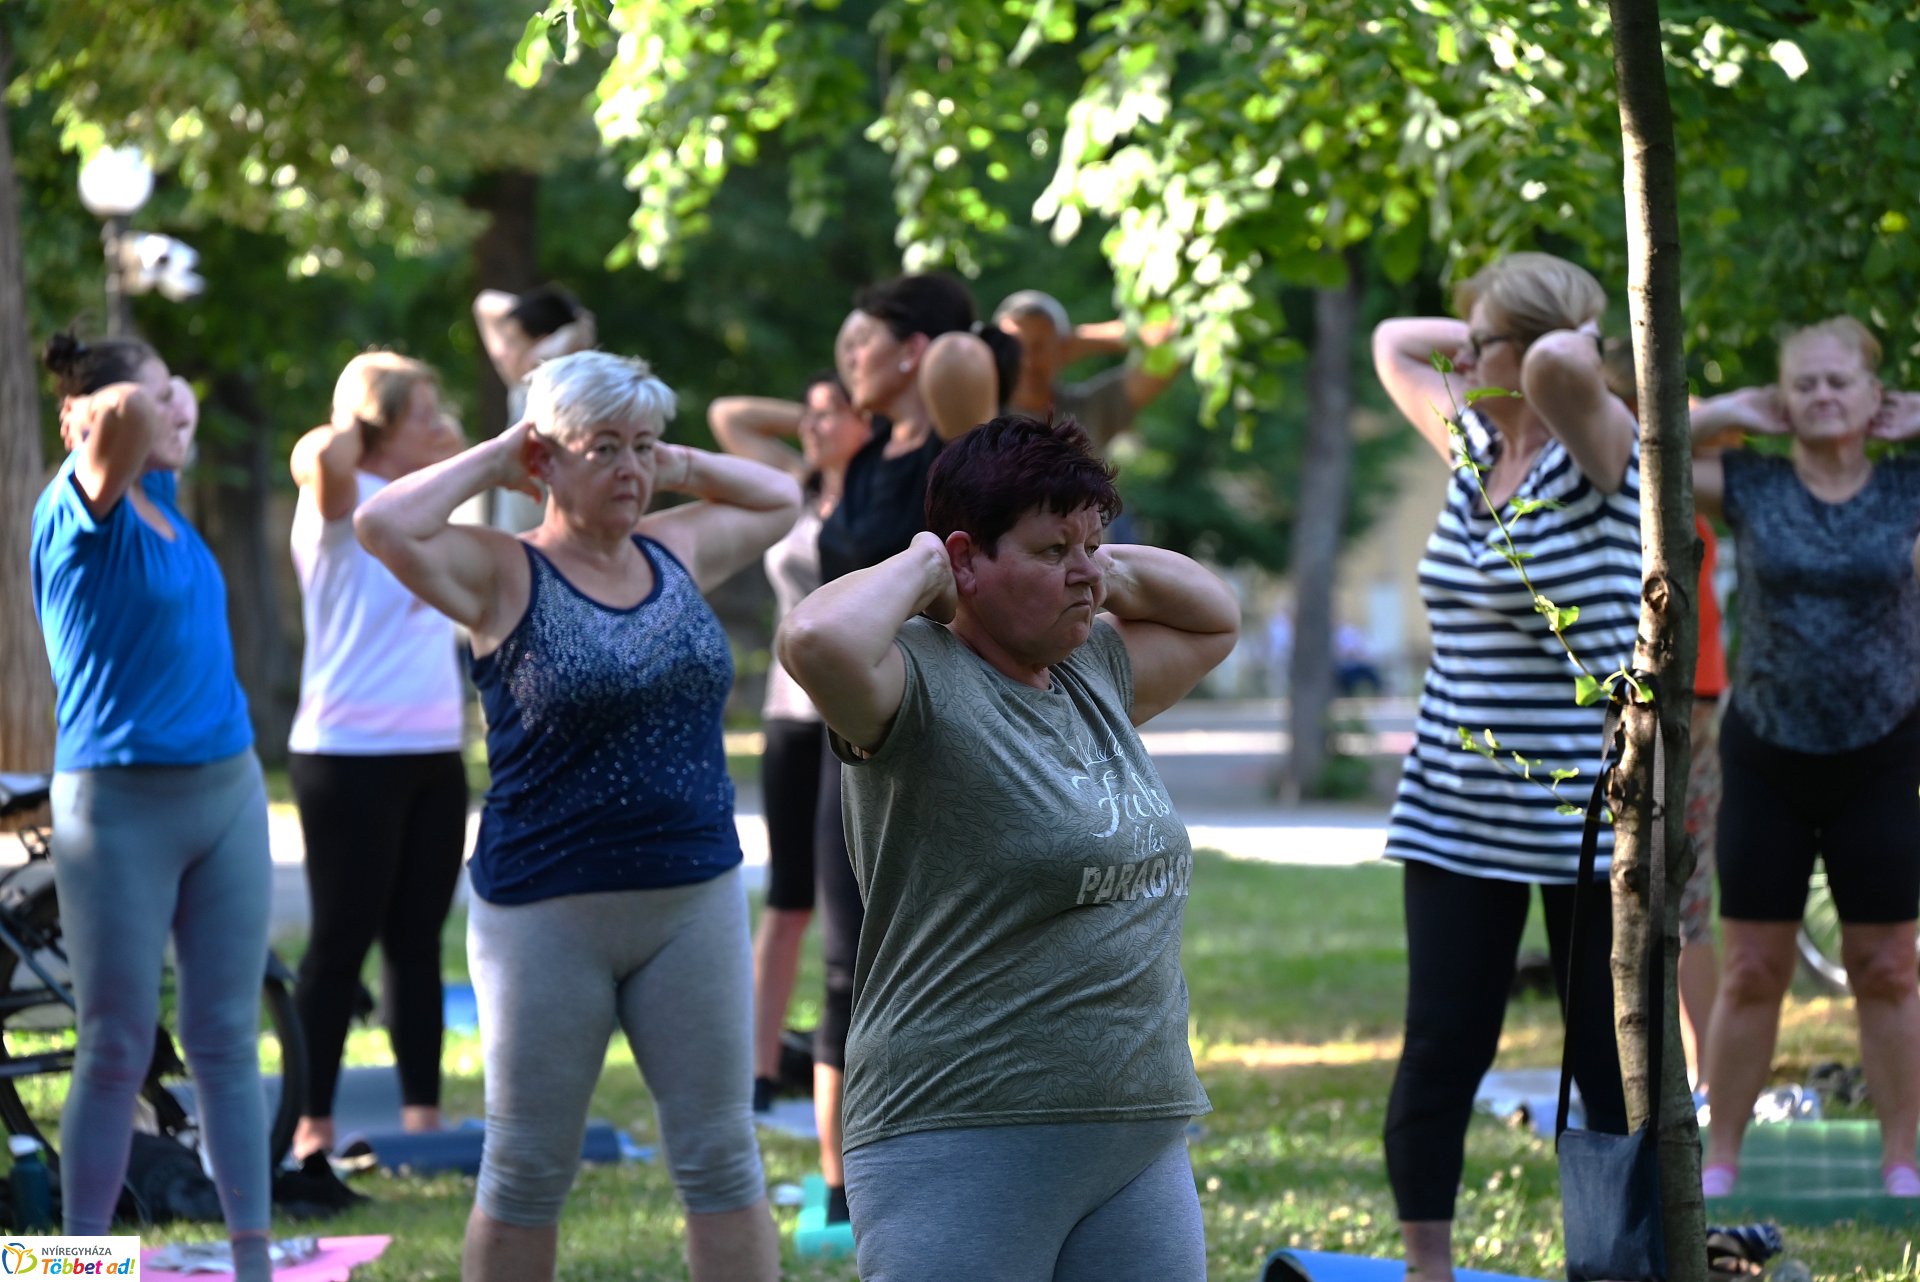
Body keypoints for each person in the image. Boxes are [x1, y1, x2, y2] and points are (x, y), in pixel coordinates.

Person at [355, 350, 798, 1282]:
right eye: (604, 449)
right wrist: (494, 459)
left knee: (722, 1159)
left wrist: (673, 462)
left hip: (692, 898)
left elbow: (780, 497)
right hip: (546, 910)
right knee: (526, 1171)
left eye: (643, 446)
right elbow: (381, 523)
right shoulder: (500, 571)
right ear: (544, 457)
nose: (631, 468)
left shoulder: (675, 549)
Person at [778, 414, 1239, 1281]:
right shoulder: (914, 683)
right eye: (1048, 550)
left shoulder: (1093, 671)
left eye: (1090, 544)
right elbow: (814, 639)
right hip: (960, 1131)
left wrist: (1090, 563)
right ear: (966, 560)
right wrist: (924, 564)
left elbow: (1215, 616)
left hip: (1135, 1137)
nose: (1084, 573)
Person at [1370, 252, 1639, 1280]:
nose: (1461, 358)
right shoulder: (1472, 444)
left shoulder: (1602, 445)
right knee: (1443, 1042)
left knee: (1605, 1058)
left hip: (1585, 808)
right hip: (1453, 802)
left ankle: (1619, 1260)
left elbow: (1565, 365)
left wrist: (1540, 336)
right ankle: (1427, 1267)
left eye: (1481, 343)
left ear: (1528, 353)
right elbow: (1394, 342)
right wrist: (1487, 336)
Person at [32, 334, 273, 1278]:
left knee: (226, 1039)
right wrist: (123, 399)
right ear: (78, 420)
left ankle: (253, 1258)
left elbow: (144, 418)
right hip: (118, 807)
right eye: (159, 395)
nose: (178, 409)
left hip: (228, 791)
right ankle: (75, 1265)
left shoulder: (159, 496)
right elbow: (126, 418)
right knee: (116, 1045)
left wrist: (156, 397)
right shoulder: (79, 506)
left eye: (183, 393)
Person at [793, 272, 1015, 1224]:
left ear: (915, 351)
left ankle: (972, 1148)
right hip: (849, 727)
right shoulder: (870, 452)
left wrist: (954, 352)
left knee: (959, 948)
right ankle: (841, 1189)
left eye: (864, 345)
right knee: (847, 958)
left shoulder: (955, 454)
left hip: (943, 721)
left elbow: (971, 351)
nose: (849, 363)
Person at [1691, 316, 1920, 1197]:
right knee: (1753, 969)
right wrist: (1724, 412)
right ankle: (1721, 1159)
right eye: (1804, 383)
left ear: (1874, 395)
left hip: (1881, 752)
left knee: (1888, 967)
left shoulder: (1906, 486)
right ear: (1782, 399)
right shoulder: (1750, 482)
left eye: (1839, 380)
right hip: (1768, 755)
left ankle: (1901, 1159)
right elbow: (1622, 460)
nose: (1823, 395)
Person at [285, 352, 470, 1166]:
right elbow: (322, 453)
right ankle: (311, 1122)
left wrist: (443, 445)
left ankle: (421, 1119)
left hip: (435, 750)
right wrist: (354, 424)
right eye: (422, 413)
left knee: (418, 943)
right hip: (347, 753)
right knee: (339, 943)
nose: (440, 424)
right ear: (378, 425)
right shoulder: (341, 498)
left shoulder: (429, 506)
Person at [707, 372, 871, 1110]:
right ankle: (757, 1070)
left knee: (845, 900)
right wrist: (817, 415)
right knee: (787, 896)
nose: (812, 425)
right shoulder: (795, 488)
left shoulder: (883, 498)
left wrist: (863, 419)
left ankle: (851, 1062)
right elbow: (728, 415)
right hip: (787, 710)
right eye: (808, 414)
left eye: (830, 415)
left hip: (849, 712)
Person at [1602, 337, 1725, 1093]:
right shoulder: (1605, 448)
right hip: (1645, 688)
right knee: (1656, 889)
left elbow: (1729, 421)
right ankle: (1684, 1073)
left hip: (1685, 690)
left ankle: (1705, 1075)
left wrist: (1661, 409)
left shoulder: (1668, 441)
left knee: (1683, 890)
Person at [472, 284, 597, 531]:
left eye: (512, 341)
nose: (502, 352)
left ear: (543, 344)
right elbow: (484, 303)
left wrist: (573, 332)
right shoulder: (521, 389)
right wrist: (576, 320)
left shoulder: (560, 397)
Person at [993, 288, 1182, 448]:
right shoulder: (982, 414)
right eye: (1015, 347)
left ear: (1064, 348)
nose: (1027, 360)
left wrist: (1085, 338)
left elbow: (1174, 334)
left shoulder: (1090, 411)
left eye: (1039, 346)